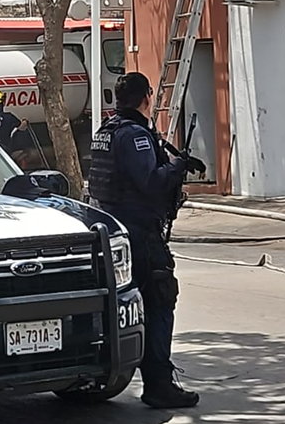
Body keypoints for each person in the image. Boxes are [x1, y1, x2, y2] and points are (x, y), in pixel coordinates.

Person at [86, 71, 205, 409]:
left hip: (113, 232)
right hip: (139, 232)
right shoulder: (134, 135)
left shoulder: (106, 132)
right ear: (146, 98)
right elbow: (151, 182)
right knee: (160, 299)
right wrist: (177, 168)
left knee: (125, 305)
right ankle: (159, 384)